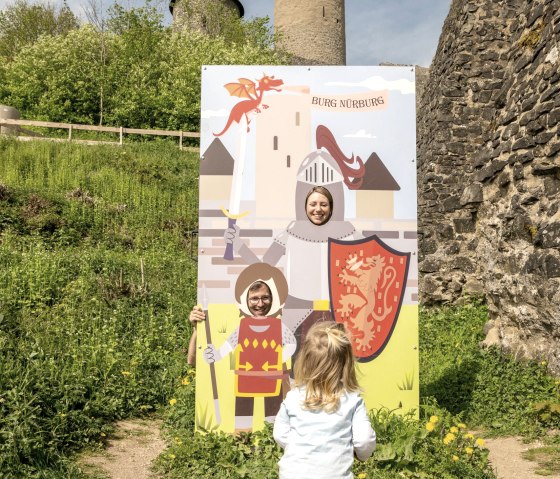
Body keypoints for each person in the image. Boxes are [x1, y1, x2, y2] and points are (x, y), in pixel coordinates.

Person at [273, 321, 376, 479]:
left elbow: (280, 433)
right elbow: (364, 440)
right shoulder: (352, 400)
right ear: (345, 365)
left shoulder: (293, 397)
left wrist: (302, 448)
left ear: (304, 362)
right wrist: (361, 455)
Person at [202, 263, 296, 431]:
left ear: (272, 299)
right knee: (243, 413)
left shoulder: (278, 326)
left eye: (265, 297)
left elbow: (291, 343)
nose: (260, 304)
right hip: (245, 377)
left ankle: (271, 447)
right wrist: (214, 355)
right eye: (254, 298)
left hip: (272, 377)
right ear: (246, 300)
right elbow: (229, 345)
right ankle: (242, 447)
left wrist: (277, 359)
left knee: (273, 415)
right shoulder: (242, 327)